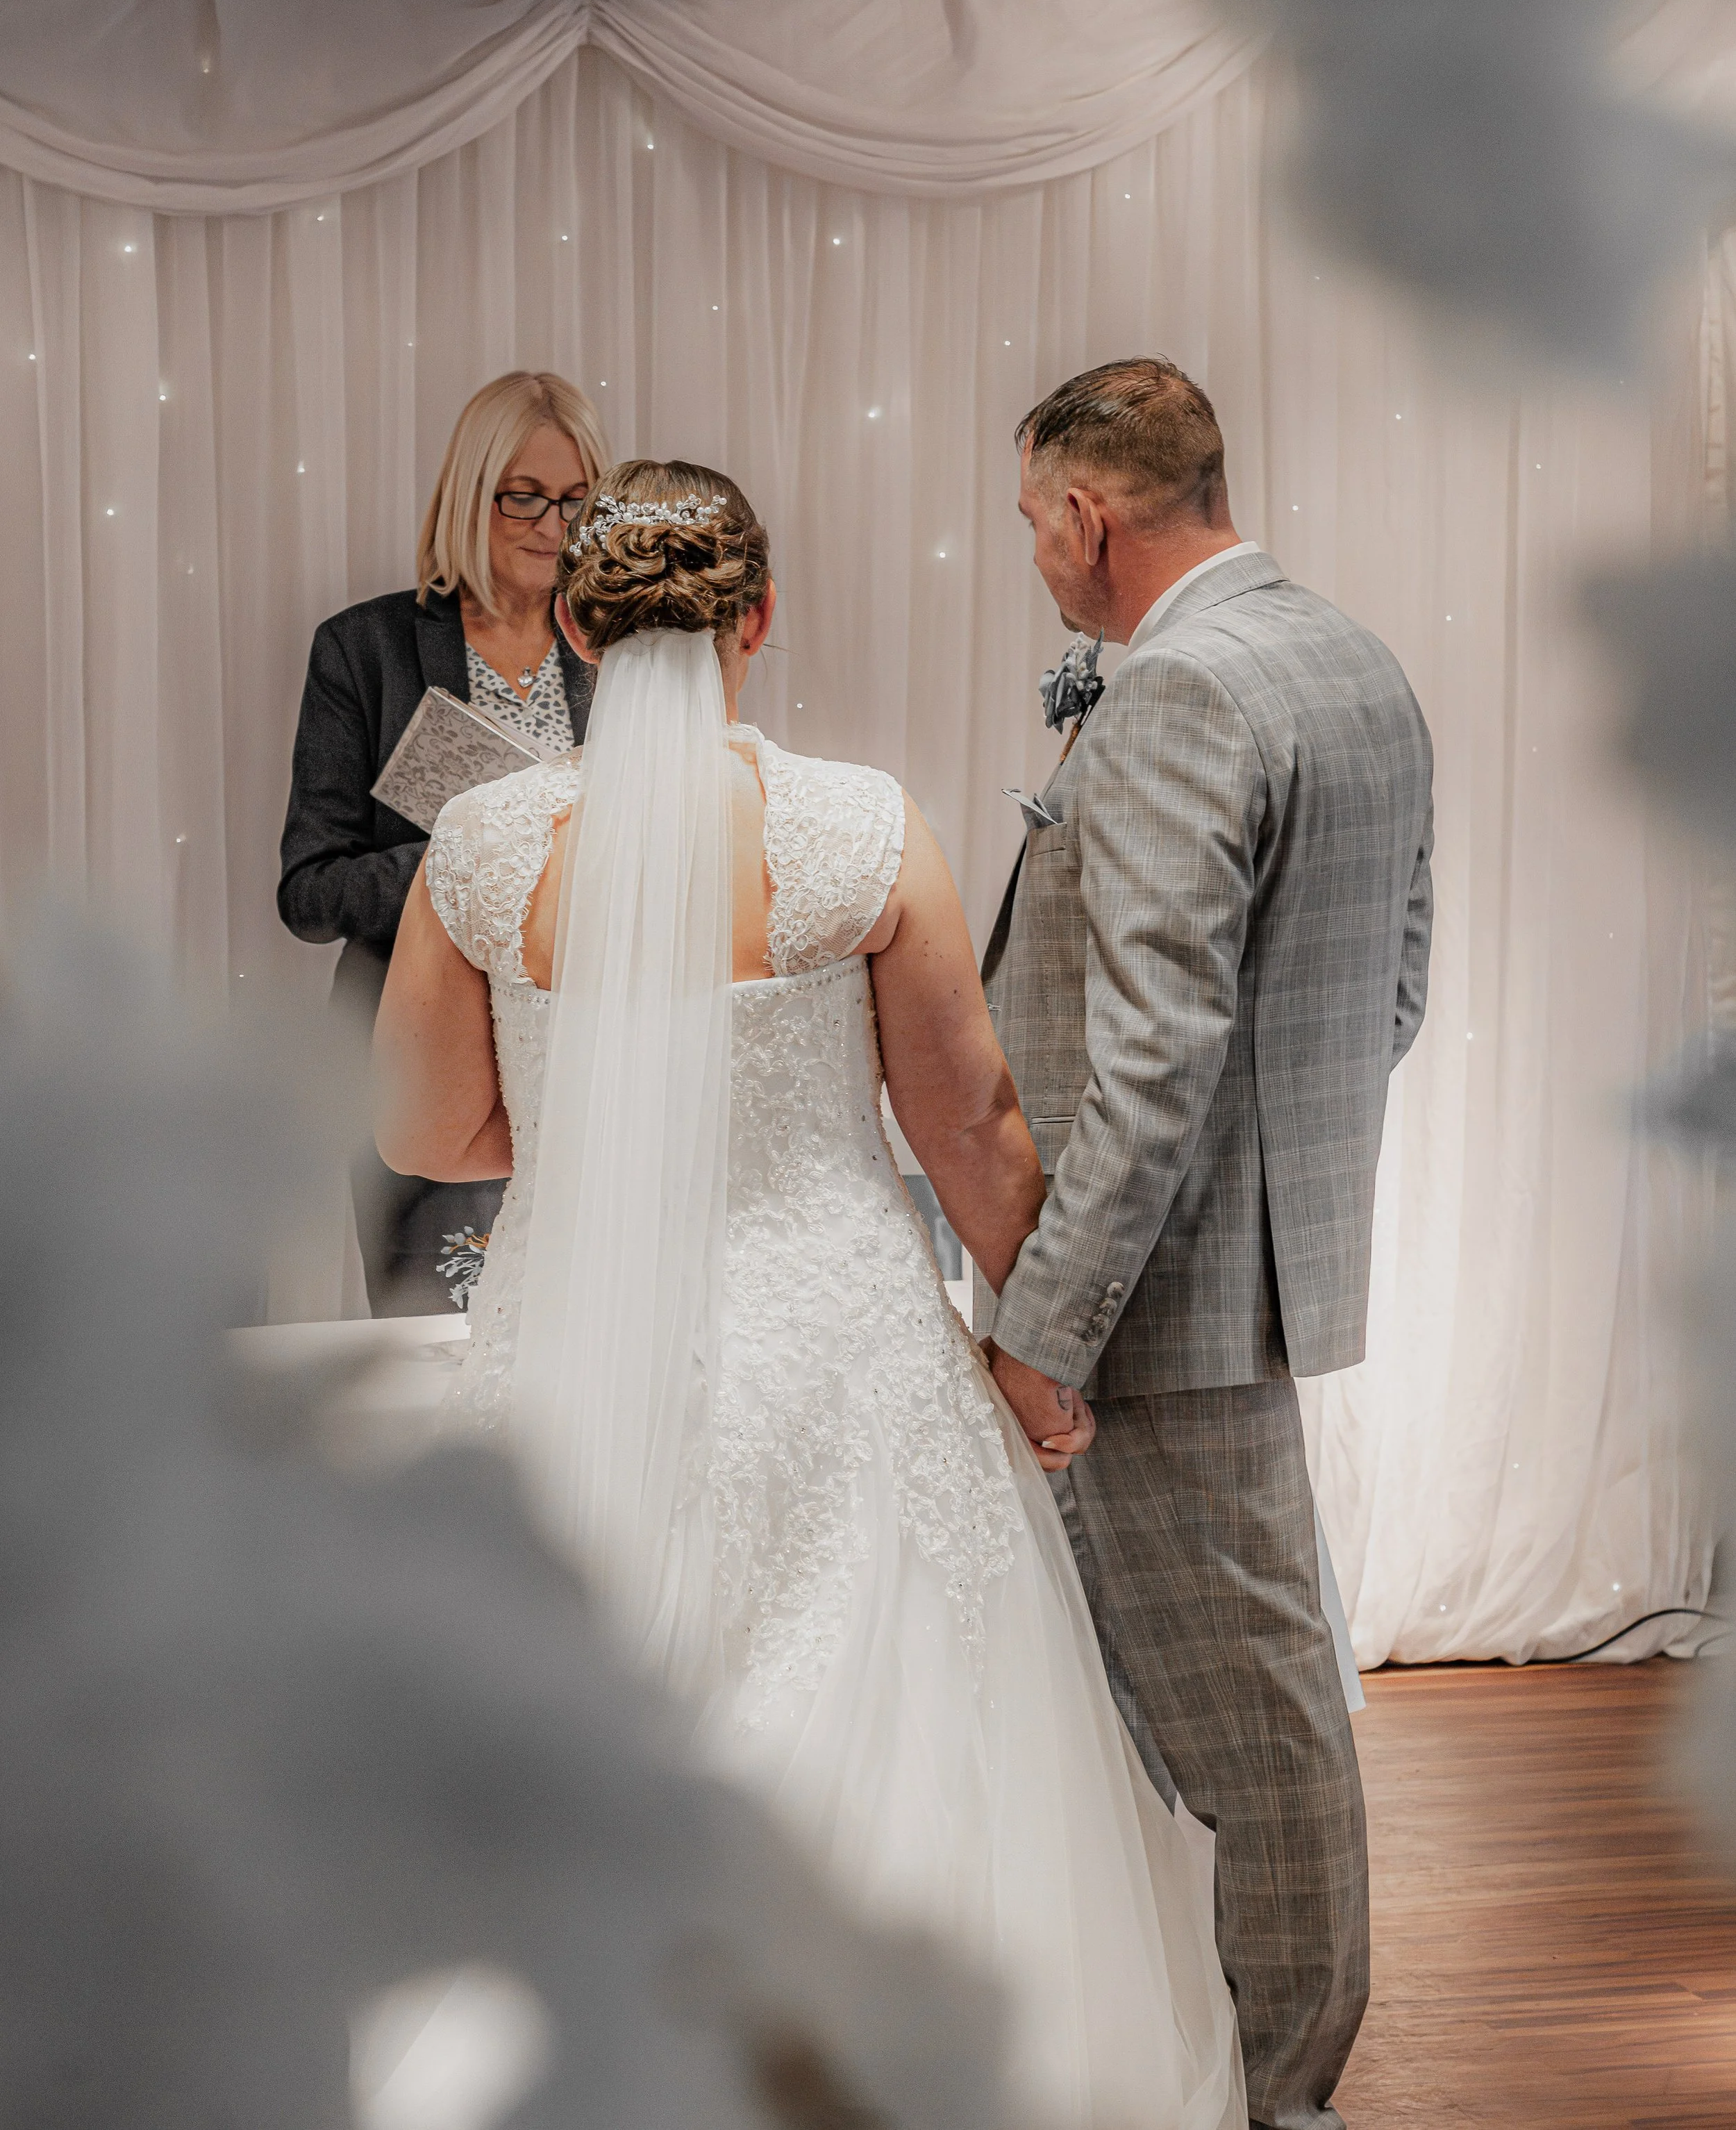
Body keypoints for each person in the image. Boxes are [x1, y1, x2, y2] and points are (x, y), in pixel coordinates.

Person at [372, 460, 1246, 2129]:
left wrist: (568, 1134)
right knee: (860, 1723)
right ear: (757, 619)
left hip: (564, 1352)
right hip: (837, 1353)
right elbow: (972, 1123)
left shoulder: (481, 843)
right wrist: (1047, 1346)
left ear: (570, 620)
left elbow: (421, 1123)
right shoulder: (855, 823)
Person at [979, 358, 1434, 2130]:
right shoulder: (1350, 655)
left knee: (1250, 1722)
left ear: (1090, 513)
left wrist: (1047, 1320)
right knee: (1254, 1686)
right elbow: (1392, 983)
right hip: (1243, 1253)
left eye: (1029, 518)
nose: (1031, 550)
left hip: (1153, 1287)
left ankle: (1277, 2092)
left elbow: (1147, 1052)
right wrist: (1278, 1194)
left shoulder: (1176, 690)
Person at [278, 371, 608, 1315]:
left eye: (578, 501)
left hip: (589, 1061)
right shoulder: (366, 649)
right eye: (526, 498)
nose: (554, 525)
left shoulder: (625, 652)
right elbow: (310, 892)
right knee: (437, 1358)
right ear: (471, 494)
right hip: (421, 1063)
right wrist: (473, 851)